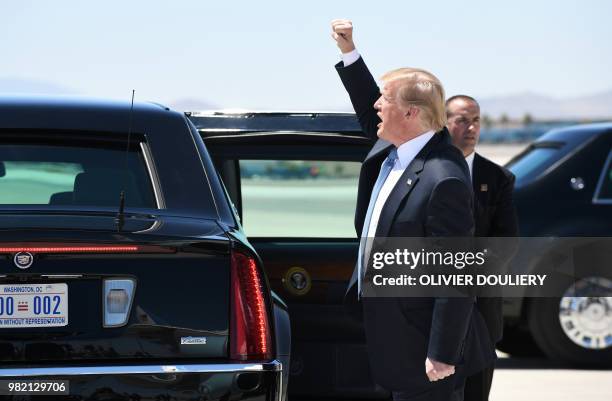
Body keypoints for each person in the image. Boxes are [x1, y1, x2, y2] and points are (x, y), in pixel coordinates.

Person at [331, 19, 496, 401]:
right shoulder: (392, 150)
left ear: (411, 114)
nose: (375, 107)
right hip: (394, 338)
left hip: (426, 352)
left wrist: (441, 352)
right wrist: (349, 51)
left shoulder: (444, 177)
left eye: (384, 100)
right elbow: (366, 106)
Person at [446, 95, 519, 401]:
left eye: (476, 120)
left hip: (480, 310)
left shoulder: (498, 177)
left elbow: (506, 241)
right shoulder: (425, 169)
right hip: (431, 308)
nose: (471, 127)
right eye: (462, 120)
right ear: (444, 122)